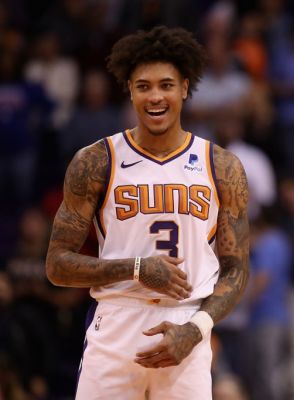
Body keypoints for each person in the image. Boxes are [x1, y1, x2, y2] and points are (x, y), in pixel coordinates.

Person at [45, 26, 249, 399]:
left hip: (185, 326)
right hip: (118, 323)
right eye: (144, 86)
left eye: (166, 85)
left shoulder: (221, 166)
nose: (156, 97)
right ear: (130, 90)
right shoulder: (96, 161)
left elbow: (236, 268)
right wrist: (136, 268)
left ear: (185, 88)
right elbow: (57, 265)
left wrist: (197, 328)